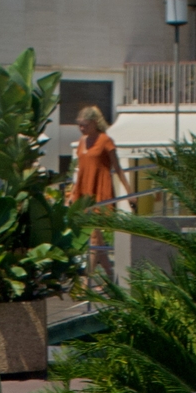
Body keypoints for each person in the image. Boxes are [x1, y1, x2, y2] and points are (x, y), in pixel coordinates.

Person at [70, 105, 128, 289]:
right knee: (97, 238)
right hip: (83, 191)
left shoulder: (105, 141)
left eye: (85, 125)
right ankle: (111, 277)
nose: (81, 128)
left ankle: (87, 280)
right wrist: (72, 192)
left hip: (100, 191)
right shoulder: (81, 141)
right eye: (79, 125)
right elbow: (78, 170)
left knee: (95, 237)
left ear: (94, 123)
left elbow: (117, 167)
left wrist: (128, 191)